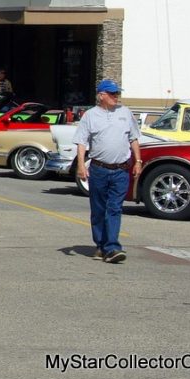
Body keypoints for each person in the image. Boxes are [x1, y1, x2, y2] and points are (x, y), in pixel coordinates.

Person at [74, 79, 141, 264]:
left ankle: (112, 247)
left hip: (121, 169)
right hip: (99, 169)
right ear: (101, 95)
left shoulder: (125, 113)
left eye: (117, 93)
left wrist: (138, 161)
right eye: (112, 94)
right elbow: (81, 142)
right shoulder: (90, 115)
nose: (116, 97)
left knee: (114, 208)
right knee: (98, 210)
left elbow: (134, 138)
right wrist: (81, 166)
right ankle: (101, 245)